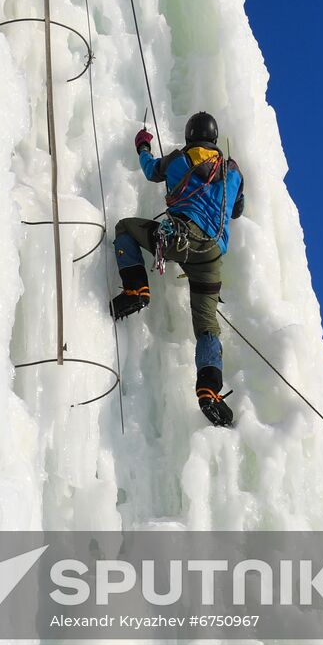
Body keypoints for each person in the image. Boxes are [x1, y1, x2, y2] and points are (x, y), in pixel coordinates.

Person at [110, 111, 245, 426]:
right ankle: (209, 390)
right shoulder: (232, 172)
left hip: (179, 238)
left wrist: (143, 145)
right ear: (214, 138)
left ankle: (136, 289)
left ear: (189, 136)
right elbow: (238, 209)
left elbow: (150, 171)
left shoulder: (177, 161)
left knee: (125, 229)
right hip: (210, 256)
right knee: (207, 326)